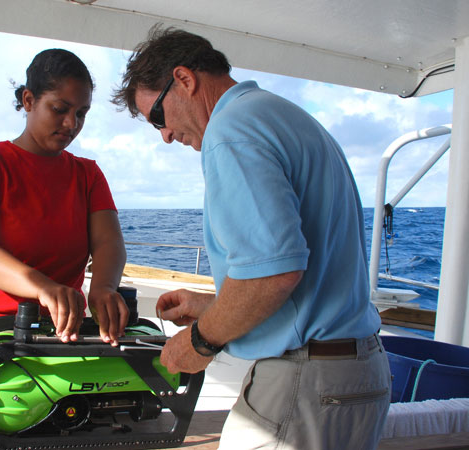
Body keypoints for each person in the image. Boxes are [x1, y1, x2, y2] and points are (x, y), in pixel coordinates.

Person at [112, 27, 391, 450]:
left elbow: (274, 275)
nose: (165, 135)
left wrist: (200, 340)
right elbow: (309, 271)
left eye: (158, 117)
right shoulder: (283, 115)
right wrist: (211, 304)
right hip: (357, 372)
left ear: (184, 79)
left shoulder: (230, 132)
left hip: (308, 381)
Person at [0, 48, 128, 410]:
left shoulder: (88, 174)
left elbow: (109, 241)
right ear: (28, 100)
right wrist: (45, 287)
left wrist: (102, 289)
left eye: (81, 113)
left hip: (56, 336)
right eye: (60, 109)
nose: (72, 124)